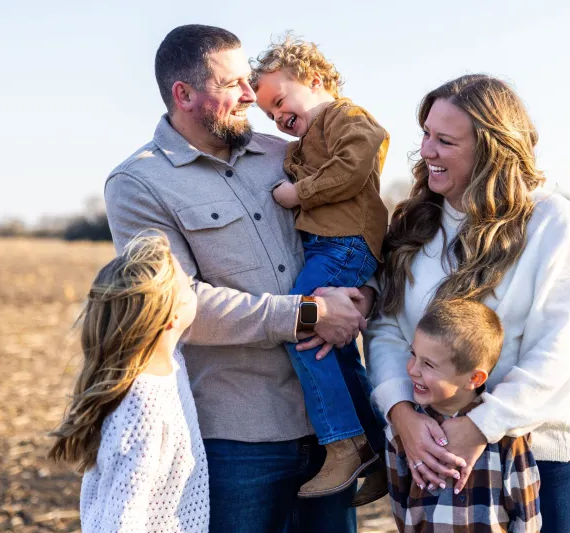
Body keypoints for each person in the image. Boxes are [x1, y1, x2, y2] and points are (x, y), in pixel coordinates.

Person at [104, 24, 375, 532]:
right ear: (183, 94)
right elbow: (175, 306)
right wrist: (307, 314)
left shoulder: (286, 154)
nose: (252, 95)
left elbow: (349, 228)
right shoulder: (138, 183)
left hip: (329, 431)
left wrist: (364, 294)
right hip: (234, 441)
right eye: (233, 85)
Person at [367, 74, 570, 533]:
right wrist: (403, 416)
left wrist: (480, 426)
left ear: (492, 149)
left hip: (542, 452)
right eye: (427, 135)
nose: (427, 152)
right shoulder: (415, 223)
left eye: (445, 141)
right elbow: (386, 331)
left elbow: (560, 349)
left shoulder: (553, 223)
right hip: (429, 448)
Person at [250, 35, 389, 500]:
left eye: (280, 101)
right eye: (269, 114)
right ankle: (377, 446)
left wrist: (297, 193)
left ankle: (342, 442)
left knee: (302, 324)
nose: (278, 117)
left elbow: (356, 161)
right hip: (328, 246)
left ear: (313, 79)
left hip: (344, 244)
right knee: (335, 347)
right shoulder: (306, 139)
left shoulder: (347, 116)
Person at [48, 232, 208, 533]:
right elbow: (123, 516)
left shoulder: (173, 364)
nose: (195, 287)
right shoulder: (142, 408)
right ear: (172, 315)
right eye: (188, 285)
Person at [386, 298, 541, 532]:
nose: (412, 370)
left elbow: (526, 518)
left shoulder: (508, 436)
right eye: (413, 355)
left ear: (474, 379)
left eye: (428, 364)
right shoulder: (402, 432)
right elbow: (401, 508)